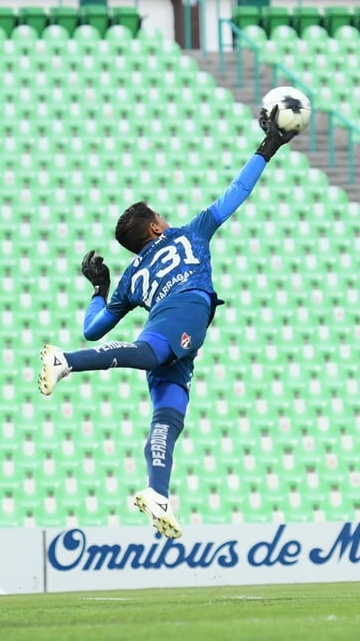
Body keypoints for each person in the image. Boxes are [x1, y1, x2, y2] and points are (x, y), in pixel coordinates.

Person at [37, 106, 298, 539]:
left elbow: (94, 328)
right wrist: (268, 146)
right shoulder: (190, 232)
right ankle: (65, 362)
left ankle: (157, 493)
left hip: (172, 335)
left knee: (168, 416)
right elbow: (236, 192)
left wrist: (98, 290)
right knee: (148, 354)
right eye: (159, 215)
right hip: (185, 310)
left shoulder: (130, 279)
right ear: (156, 227)